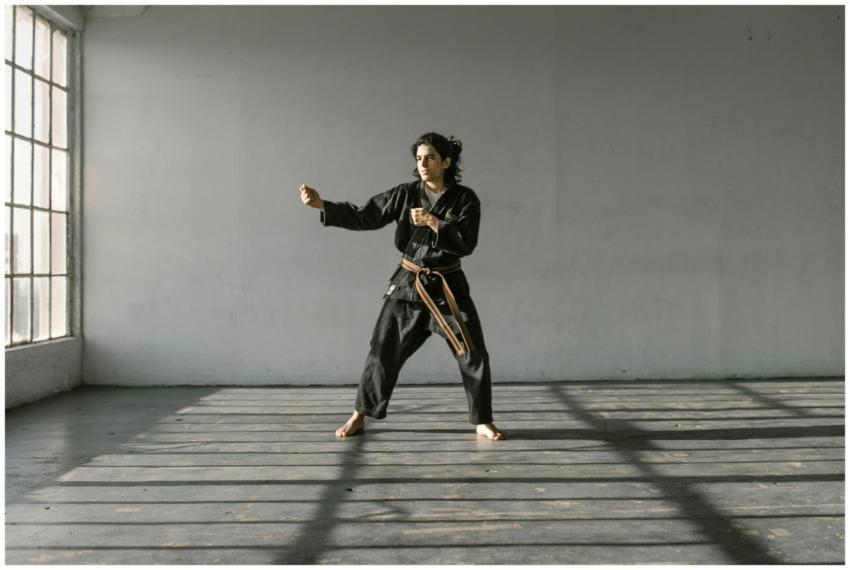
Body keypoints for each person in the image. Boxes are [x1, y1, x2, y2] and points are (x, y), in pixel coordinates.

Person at [299, 132, 506, 441]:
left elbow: (467, 243)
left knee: (473, 353)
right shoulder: (405, 194)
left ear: (447, 162)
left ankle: (482, 420)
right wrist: (322, 205)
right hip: (408, 286)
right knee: (381, 352)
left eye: (431, 158)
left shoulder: (465, 199)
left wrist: (435, 223)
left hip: (447, 288)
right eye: (419, 158)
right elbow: (366, 216)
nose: (423, 163)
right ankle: (360, 415)